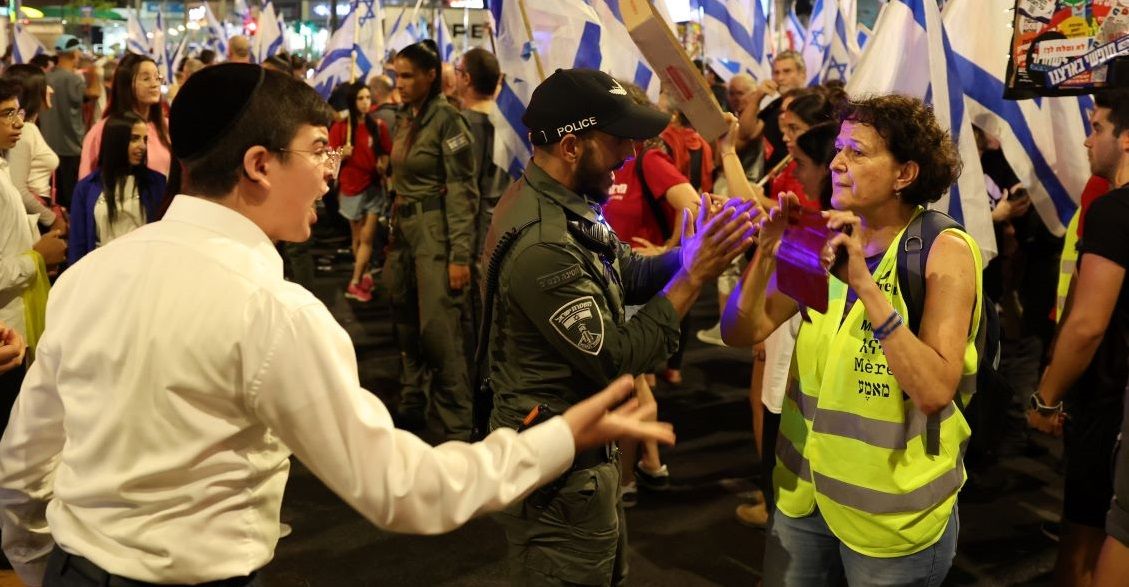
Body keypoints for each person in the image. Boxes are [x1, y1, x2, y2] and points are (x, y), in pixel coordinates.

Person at [0, 63, 676, 587]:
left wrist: (46, 570)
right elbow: (402, 489)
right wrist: (561, 436)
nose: (331, 174)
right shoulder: (273, 312)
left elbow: (24, 467)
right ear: (259, 165)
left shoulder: (92, 275)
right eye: (319, 150)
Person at [483, 67, 756, 586]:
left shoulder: (566, 202)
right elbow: (618, 358)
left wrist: (686, 254)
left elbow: (624, 274)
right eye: (618, 142)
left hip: (576, 456)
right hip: (558, 475)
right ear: (570, 146)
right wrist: (694, 275)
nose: (630, 156)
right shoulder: (545, 245)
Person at [723, 95, 981, 585]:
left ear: (905, 174)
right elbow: (744, 331)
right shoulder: (816, 236)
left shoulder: (942, 251)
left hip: (891, 516)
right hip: (803, 494)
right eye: (839, 149)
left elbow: (933, 390)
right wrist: (766, 255)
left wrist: (865, 285)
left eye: (858, 152)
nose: (837, 162)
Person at [1027, 89, 1129, 587]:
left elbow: (1088, 325)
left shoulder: (1114, 211)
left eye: (1097, 127)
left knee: (1090, 542)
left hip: (1109, 403)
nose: (1088, 141)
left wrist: (1047, 397)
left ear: (1127, 138)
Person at [384, 41, 477, 440]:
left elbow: (462, 191)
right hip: (403, 231)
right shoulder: (408, 117)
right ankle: (413, 400)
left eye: (407, 76)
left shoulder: (447, 120)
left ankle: (458, 426)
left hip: (435, 234)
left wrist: (459, 255)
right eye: (396, 75)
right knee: (404, 321)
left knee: (439, 332)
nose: (400, 83)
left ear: (430, 76)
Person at [0, 79, 66, 405]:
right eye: (5, 114)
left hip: (14, 327)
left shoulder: (2, 169)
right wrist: (37, 256)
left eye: (18, 112)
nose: (17, 123)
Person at [68, 112, 166, 264]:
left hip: (143, 270)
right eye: (134, 139)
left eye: (145, 139)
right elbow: (77, 246)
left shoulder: (156, 183)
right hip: (100, 271)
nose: (143, 146)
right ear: (116, 141)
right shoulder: (86, 188)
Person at [329, 81, 391, 302]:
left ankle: (355, 281)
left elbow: (385, 152)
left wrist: (383, 165)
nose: (365, 103)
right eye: (360, 98)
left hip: (373, 189)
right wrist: (341, 154)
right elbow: (328, 161)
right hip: (351, 189)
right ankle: (364, 273)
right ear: (353, 102)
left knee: (367, 238)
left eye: (368, 98)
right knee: (358, 239)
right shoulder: (341, 129)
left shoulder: (379, 126)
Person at [80, 54, 170, 179]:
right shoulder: (103, 130)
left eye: (157, 77)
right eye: (146, 79)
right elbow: (86, 181)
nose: (154, 84)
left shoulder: (167, 127)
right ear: (126, 84)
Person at [2, 65, 65, 237]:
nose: (50, 90)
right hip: (33, 218)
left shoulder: (29, 129)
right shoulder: (25, 131)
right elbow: (18, 187)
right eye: (45, 84)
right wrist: (51, 219)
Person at [38, 36, 88, 209]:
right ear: (74, 53)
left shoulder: (45, 77)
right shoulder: (74, 80)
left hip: (47, 146)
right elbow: (91, 95)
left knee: (54, 198)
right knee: (70, 200)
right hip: (71, 147)